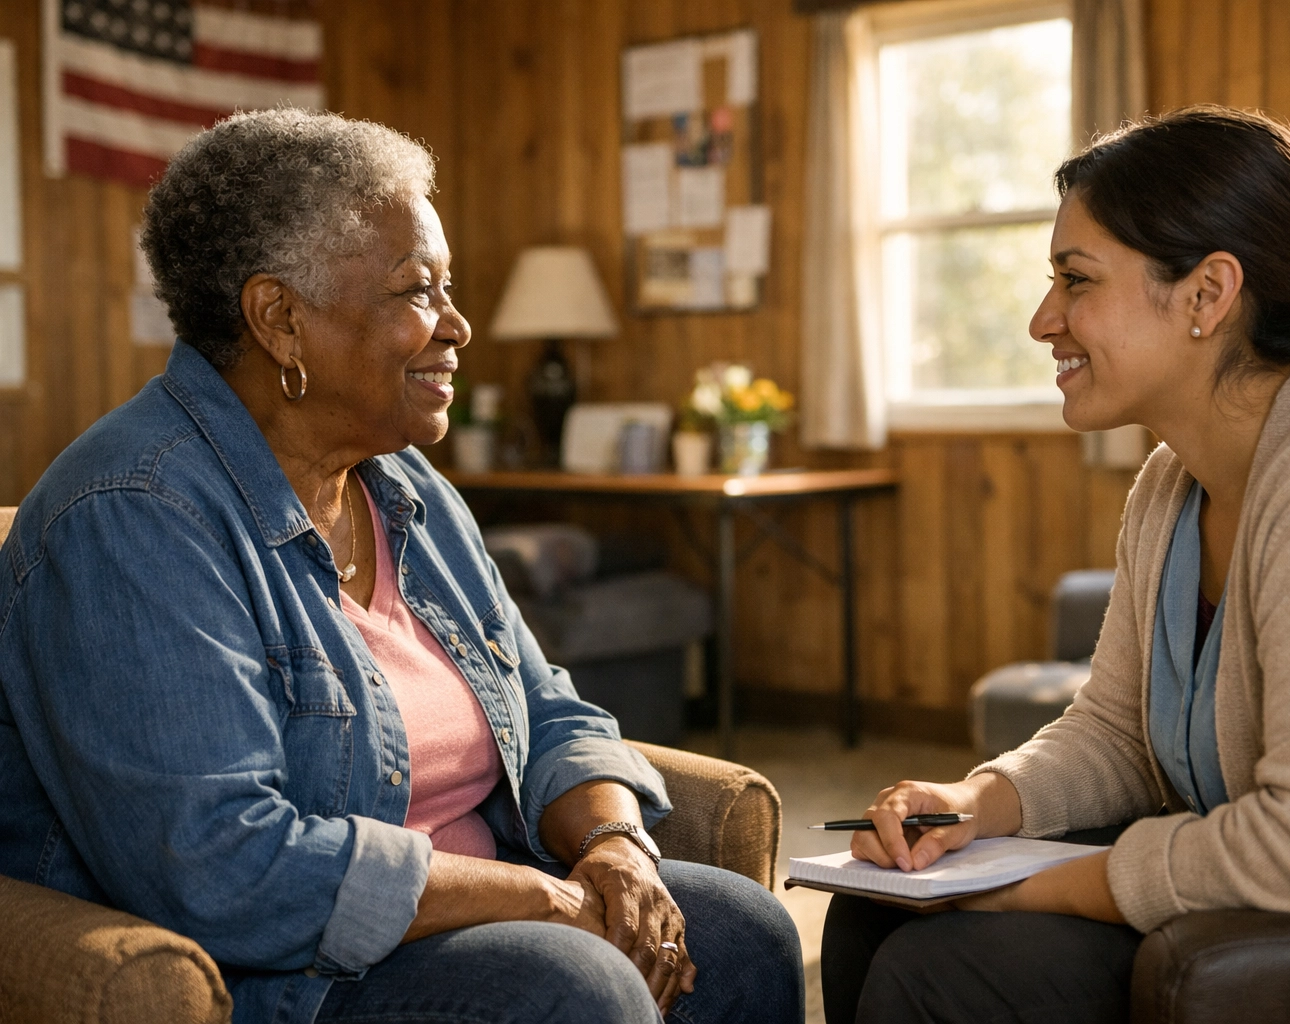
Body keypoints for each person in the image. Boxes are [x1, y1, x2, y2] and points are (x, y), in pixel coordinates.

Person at [0, 109, 802, 1024]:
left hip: (476, 902)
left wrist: (614, 842)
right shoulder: (133, 517)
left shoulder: (398, 481)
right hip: (298, 975)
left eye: (447, 286)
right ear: (281, 320)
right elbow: (219, 863)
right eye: (416, 290)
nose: (457, 325)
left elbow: (546, 707)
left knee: (744, 935)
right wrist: (541, 898)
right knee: (579, 986)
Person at [820, 105, 1290, 1024]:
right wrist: (979, 802)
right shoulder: (1173, 483)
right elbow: (1119, 730)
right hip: (1287, 909)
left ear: (1207, 295)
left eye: (1076, 281)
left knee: (948, 968)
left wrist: (1042, 888)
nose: (1045, 321)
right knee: (871, 920)